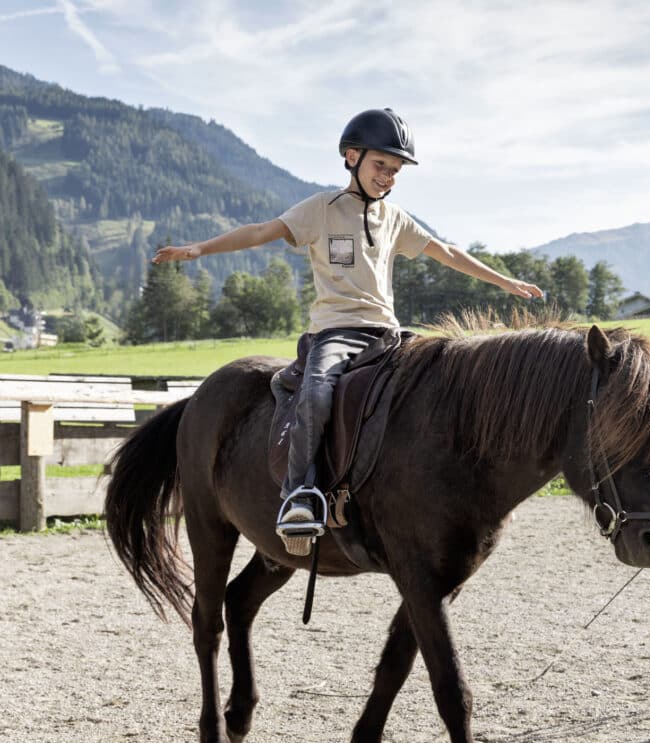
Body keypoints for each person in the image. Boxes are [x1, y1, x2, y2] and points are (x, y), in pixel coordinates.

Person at [153, 108, 543, 546]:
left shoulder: (394, 218)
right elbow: (261, 230)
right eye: (381, 166)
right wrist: (199, 249)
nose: (388, 177)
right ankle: (298, 493)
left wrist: (504, 281)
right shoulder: (321, 209)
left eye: (395, 171)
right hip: (336, 334)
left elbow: (447, 252)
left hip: (389, 335)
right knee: (317, 393)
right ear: (351, 157)